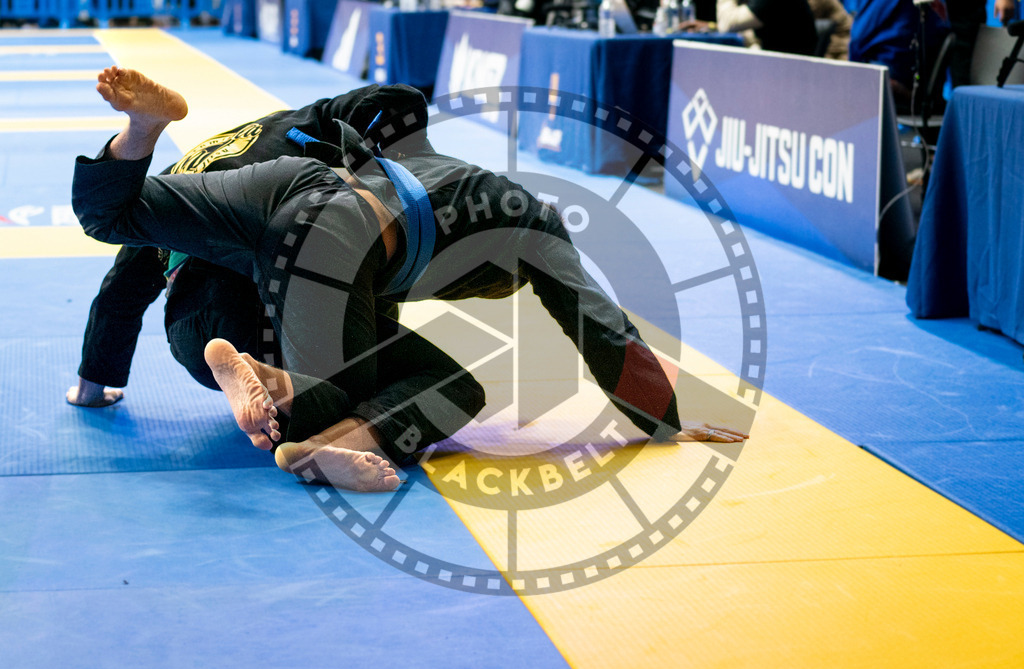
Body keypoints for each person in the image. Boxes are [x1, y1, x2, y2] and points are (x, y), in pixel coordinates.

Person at [73, 67, 749, 492]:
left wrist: (95, 380)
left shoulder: (229, 157)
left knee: (138, 227)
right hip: (297, 272)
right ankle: (328, 421)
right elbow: (596, 317)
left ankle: (143, 134)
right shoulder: (518, 216)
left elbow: (124, 278)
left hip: (210, 308)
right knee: (432, 381)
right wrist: (662, 421)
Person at [66, 83, 491, 470]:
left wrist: (91, 385)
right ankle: (337, 433)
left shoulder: (180, 177)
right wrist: (410, 163)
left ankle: (256, 379)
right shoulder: (314, 141)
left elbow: (119, 294)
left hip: (197, 332)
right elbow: (399, 98)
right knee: (442, 384)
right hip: (285, 306)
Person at [681, 0, 818, 56]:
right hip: (781, 65)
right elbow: (752, 25)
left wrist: (721, 26)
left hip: (789, 75)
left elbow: (727, 23)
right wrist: (711, 26)